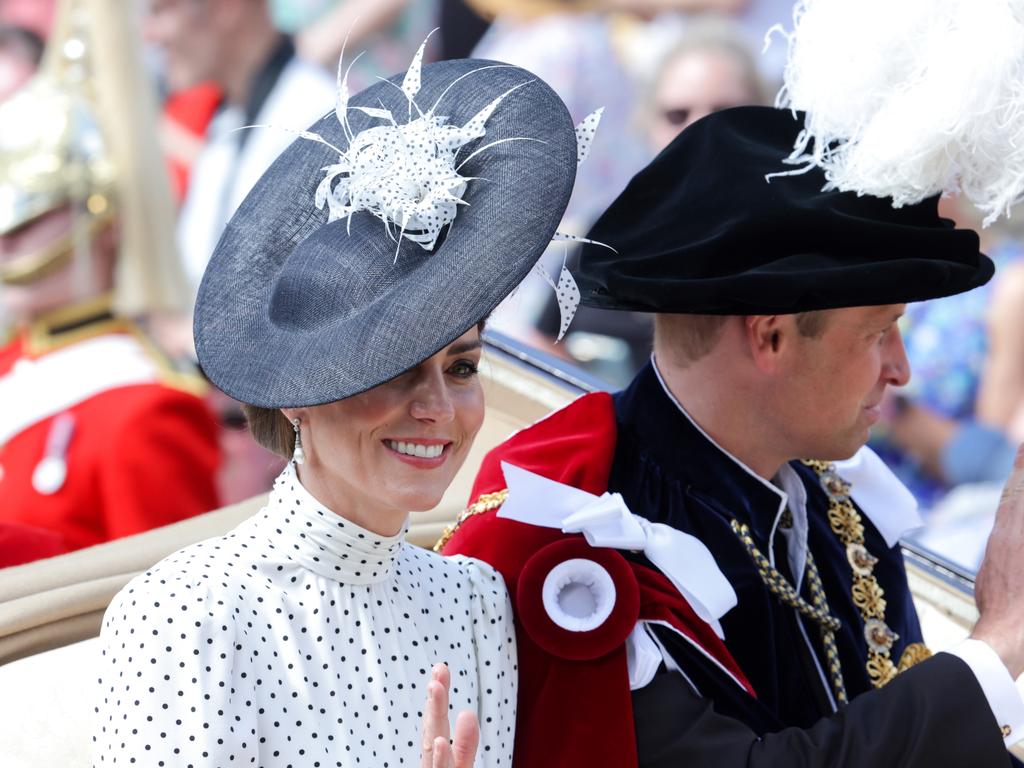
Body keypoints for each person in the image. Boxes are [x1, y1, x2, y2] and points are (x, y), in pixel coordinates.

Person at [439, 102, 1024, 768]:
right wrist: (1001, 637)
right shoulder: (571, 547)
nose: (900, 369)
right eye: (876, 332)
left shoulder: (834, 508)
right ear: (769, 336)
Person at [93, 44, 586, 765]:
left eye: (462, 366)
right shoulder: (187, 612)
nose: (438, 408)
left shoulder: (476, 603)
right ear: (299, 397)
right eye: (393, 371)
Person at [0, 0, 220, 566]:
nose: (7, 242)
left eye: (30, 218)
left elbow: (171, 610)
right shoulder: (12, 361)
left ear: (104, 218)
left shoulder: (147, 411)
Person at [143, 0, 334, 290]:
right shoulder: (227, 123)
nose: (150, 34)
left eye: (163, 10)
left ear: (225, 7)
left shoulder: (316, 121)